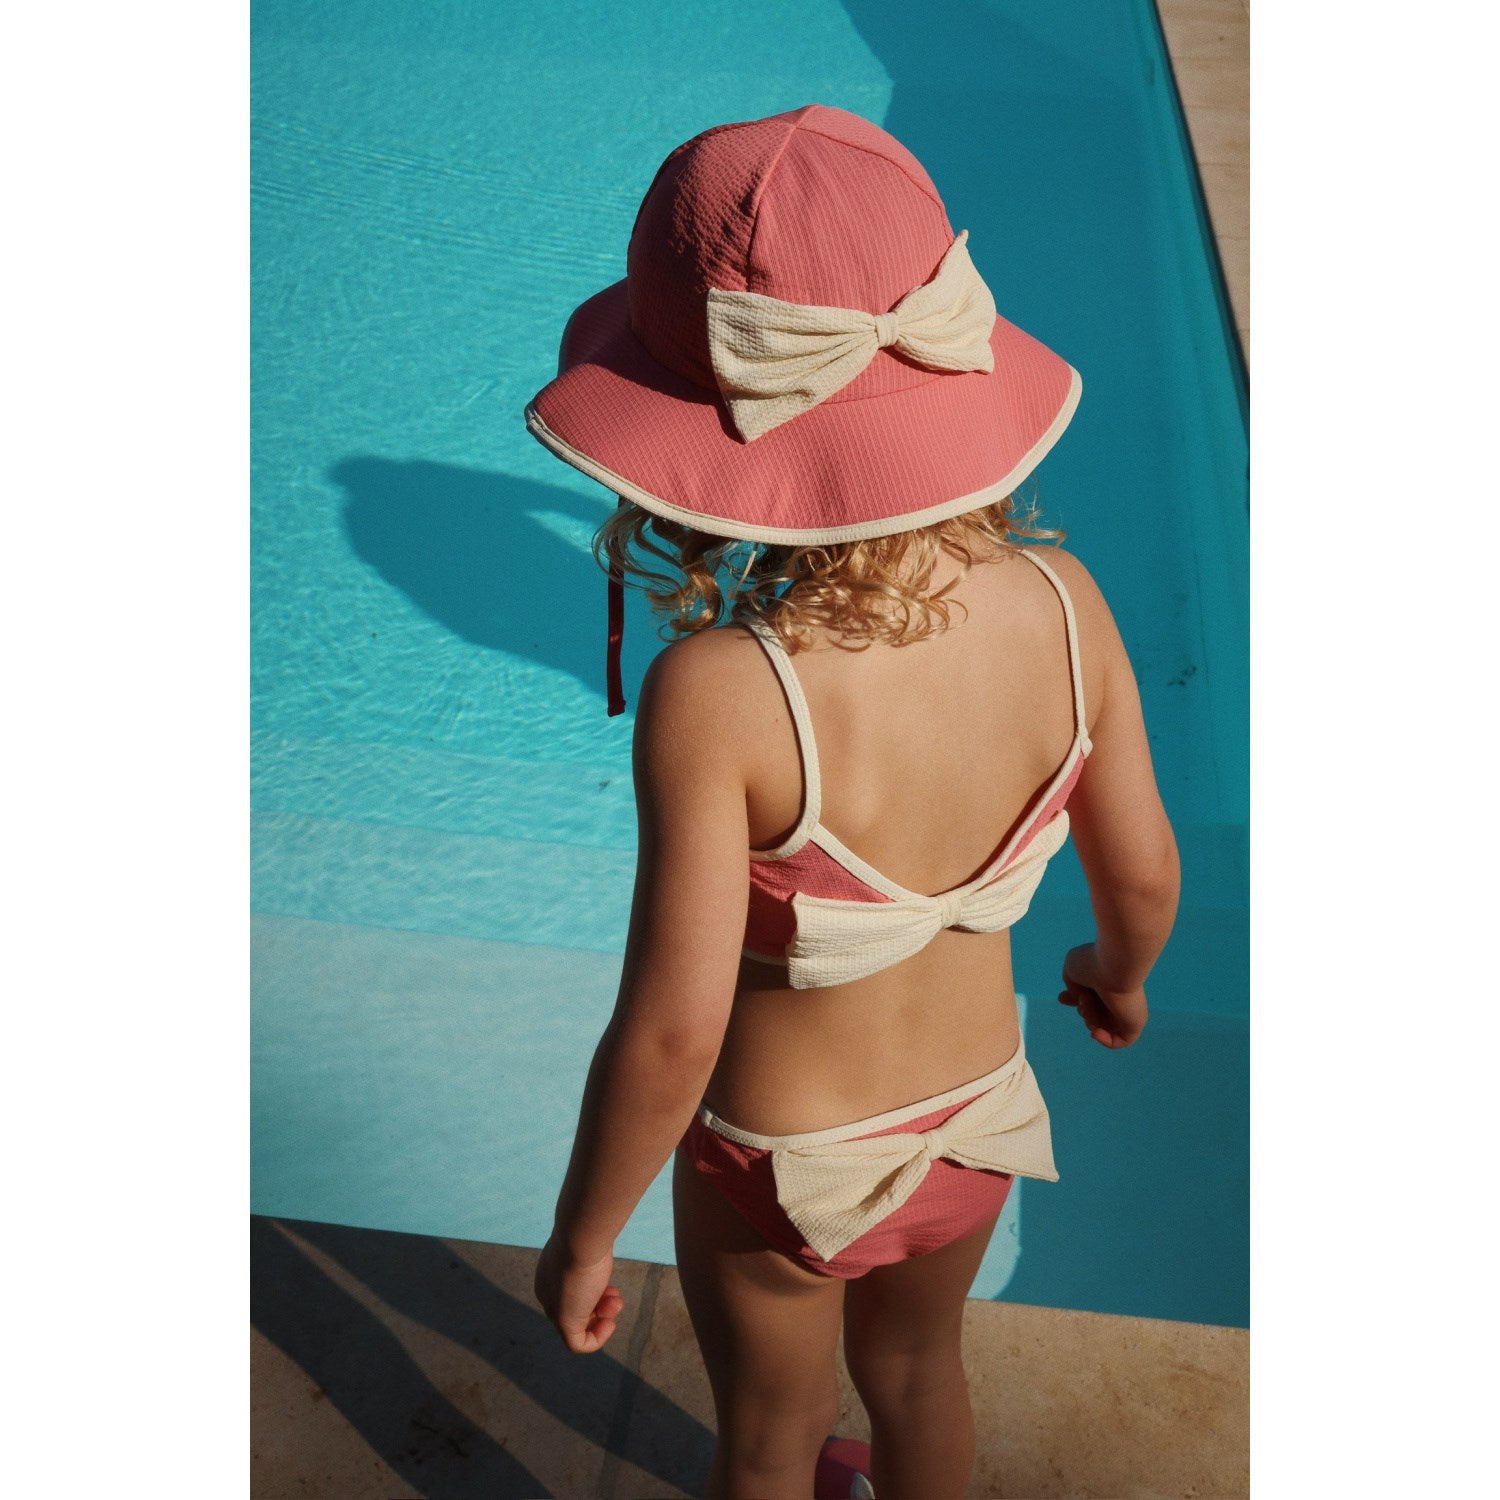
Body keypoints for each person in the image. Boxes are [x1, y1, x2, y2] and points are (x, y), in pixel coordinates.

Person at [526, 104, 1178, 1500]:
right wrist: (1114, 976)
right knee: (920, 1379)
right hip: (978, 1116)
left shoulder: (721, 693)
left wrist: (586, 1231)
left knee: (772, 1436)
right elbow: (1142, 880)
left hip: (784, 1164)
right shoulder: (1068, 604)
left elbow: (672, 1031)